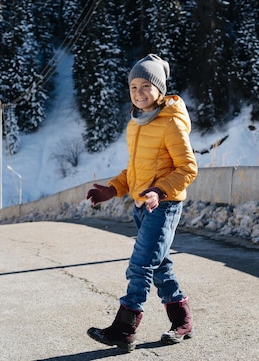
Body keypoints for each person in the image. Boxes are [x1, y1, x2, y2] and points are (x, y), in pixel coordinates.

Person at [86, 54, 198, 353]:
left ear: (160, 90)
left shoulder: (171, 122)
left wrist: (159, 192)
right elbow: (135, 170)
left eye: (146, 85)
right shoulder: (135, 124)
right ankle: (182, 321)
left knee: (140, 265)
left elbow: (187, 168)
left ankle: (124, 329)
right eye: (133, 86)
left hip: (163, 205)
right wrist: (113, 188)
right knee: (159, 265)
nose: (139, 92)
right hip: (141, 206)